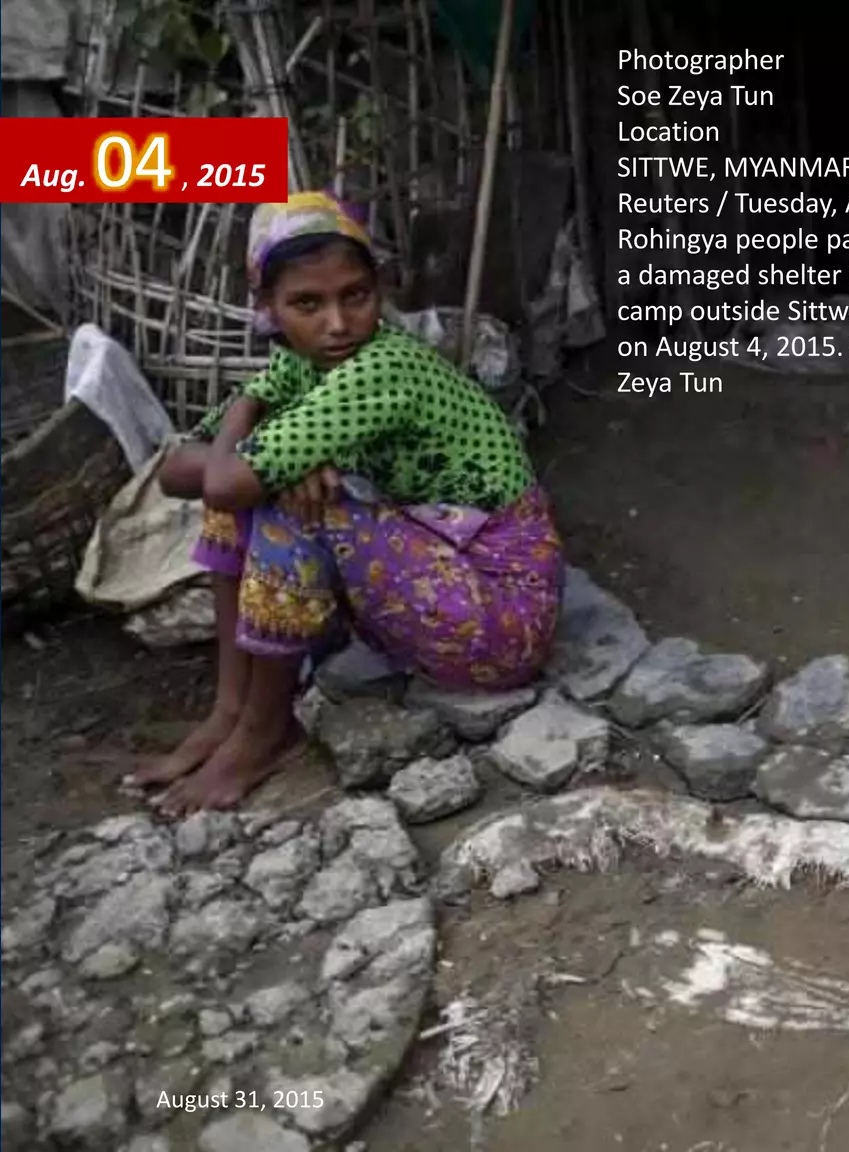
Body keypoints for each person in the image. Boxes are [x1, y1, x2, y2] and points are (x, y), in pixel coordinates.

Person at [130, 190, 565, 815]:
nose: (337, 323)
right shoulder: (294, 366)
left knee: (291, 505)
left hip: (499, 616)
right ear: (270, 310)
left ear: (377, 291)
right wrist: (251, 420)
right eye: (307, 303)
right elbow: (179, 471)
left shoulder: (381, 367)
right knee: (260, 491)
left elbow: (222, 477)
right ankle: (230, 710)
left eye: (355, 295)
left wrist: (250, 439)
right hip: (433, 574)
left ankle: (264, 731)